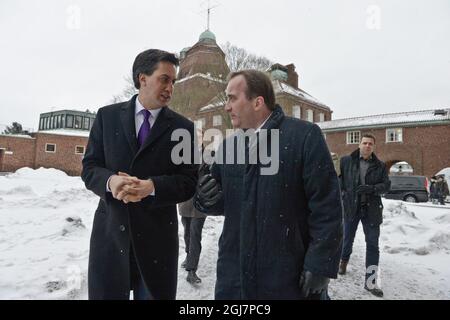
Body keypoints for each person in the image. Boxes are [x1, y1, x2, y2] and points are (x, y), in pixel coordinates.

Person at [195, 70, 343, 300]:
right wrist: (205, 199)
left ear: (257, 102)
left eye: (232, 98)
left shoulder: (304, 137)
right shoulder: (228, 147)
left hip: (286, 277)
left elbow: (327, 206)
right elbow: (222, 203)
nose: (226, 106)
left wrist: (321, 264)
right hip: (234, 276)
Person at [81, 49, 198, 300]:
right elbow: (89, 168)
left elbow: (189, 182)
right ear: (142, 78)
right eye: (164, 79)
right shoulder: (107, 117)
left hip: (157, 242)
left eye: (173, 81)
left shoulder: (183, 128)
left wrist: (151, 187)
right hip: (111, 237)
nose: (170, 87)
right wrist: (111, 181)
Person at [338, 134, 391, 298]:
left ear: (373, 147)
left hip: (372, 211)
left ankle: (371, 282)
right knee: (347, 238)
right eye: (364, 143)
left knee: (373, 246)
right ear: (359, 145)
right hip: (351, 208)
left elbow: (386, 186)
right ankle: (343, 262)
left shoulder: (380, 165)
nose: (367, 146)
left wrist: (372, 188)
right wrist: (343, 195)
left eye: (370, 144)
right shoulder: (346, 161)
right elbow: (340, 182)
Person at [178, 161, 209, 285]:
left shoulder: (211, 152)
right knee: (187, 232)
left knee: (195, 234)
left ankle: (191, 270)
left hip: (201, 202)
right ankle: (188, 254)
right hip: (186, 201)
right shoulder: (184, 152)